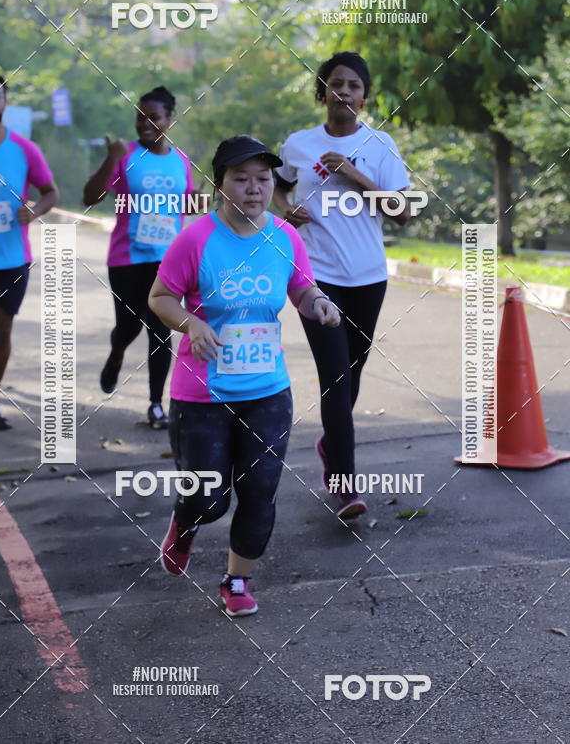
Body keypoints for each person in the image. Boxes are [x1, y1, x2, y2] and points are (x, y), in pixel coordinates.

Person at [148, 135, 340, 616]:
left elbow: (301, 288)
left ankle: (237, 580)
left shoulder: (285, 236)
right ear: (219, 185)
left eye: (263, 178)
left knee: (259, 492)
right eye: (241, 178)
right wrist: (191, 324)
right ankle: (186, 523)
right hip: (202, 394)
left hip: (267, 390)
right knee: (208, 498)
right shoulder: (195, 239)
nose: (255, 188)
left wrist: (318, 302)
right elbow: (160, 297)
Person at [273, 52, 410, 519]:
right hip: (317, 278)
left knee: (351, 374)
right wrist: (284, 209)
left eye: (354, 85)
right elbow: (278, 185)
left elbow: (402, 211)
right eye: (336, 84)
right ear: (323, 93)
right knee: (335, 376)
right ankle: (345, 485)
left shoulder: (380, 145)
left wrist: (353, 173)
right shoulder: (298, 144)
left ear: (364, 97)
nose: (344, 92)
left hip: (369, 278)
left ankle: (332, 445)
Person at [83, 86, 194, 429]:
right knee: (129, 326)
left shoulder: (181, 161)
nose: (145, 123)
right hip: (127, 260)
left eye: (153, 117)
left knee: (161, 329)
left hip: (168, 261)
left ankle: (156, 405)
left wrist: (203, 200)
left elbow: (187, 205)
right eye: (140, 117)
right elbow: (90, 197)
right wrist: (110, 158)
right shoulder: (124, 155)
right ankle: (117, 353)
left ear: (170, 120)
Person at [0, 71, 59, 438]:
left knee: (3, 332)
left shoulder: (24, 149)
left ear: (5, 102)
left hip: (14, 257)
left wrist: (34, 211)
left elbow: (51, 191)